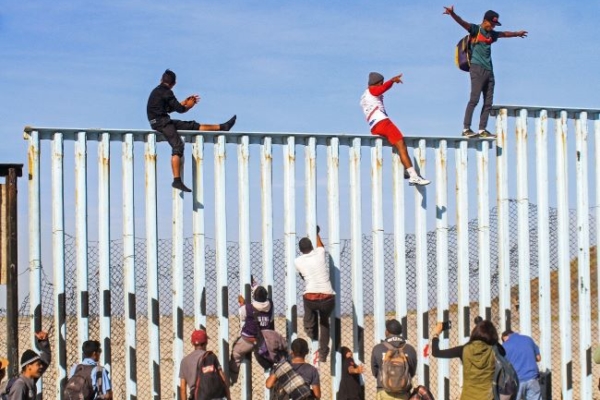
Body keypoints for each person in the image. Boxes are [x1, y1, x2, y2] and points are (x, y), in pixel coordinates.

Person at [443, 6, 528, 138]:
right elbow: (462, 22)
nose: (493, 27)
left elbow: (504, 34)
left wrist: (517, 34)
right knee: (474, 99)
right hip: (477, 69)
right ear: (485, 21)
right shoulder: (476, 30)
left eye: (495, 24)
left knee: (488, 102)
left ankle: (482, 129)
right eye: (492, 24)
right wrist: (452, 14)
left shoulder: (492, 35)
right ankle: (466, 129)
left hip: (489, 71)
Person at [147, 69, 237, 192]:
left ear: (161, 80)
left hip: (160, 120)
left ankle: (223, 127)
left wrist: (185, 102)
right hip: (162, 122)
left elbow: (169, 108)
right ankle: (177, 180)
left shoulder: (157, 91)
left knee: (191, 125)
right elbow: (181, 110)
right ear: (174, 83)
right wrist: (190, 105)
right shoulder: (167, 92)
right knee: (178, 146)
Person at [360, 72, 430, 186]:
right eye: (381, 83)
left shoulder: (364, 95)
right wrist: (392, 81)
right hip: (383, 123)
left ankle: (407, 171)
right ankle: (413, 176)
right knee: (402, 145)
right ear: (378, 83)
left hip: (374, 126)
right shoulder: (373, 90)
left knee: (397, 145)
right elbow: (379, 90)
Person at [431, 319, 503, 400]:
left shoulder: (464, 350)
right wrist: (487, 333)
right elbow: (502, 350)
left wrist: (436, 334)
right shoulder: (494, 351)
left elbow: (436, 352)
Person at [294, 226, 335, 363]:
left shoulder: (298, 261)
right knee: (325, 323)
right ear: (312, 246)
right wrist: (317, 233)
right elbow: (321, 245)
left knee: (308, 320)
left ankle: (311, 333)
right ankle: (323, 353)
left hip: (311, 296)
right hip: (327, 296)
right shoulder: (320, 253)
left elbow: (303, 276)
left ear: (300, 250)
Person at [229, 285, 275, 384]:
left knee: (235, 354)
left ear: (254, 297)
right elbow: (271, 319)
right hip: (264, 341)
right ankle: (272, 377)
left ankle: (232, 379)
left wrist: (242, 303)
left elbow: (242, 316)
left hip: (247, 340)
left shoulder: (248, 308)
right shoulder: (270, 305)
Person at [370, 319, 417, 400]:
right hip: (403, 392)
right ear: (400, 332)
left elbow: (375, 372)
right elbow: (412, 372)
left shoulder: (378, 348)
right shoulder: (410, 349)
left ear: (387, 332)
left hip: (383, 391)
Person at [179, 329, 230, 400]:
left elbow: (183, 389)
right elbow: (223, 379)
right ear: (206, 342)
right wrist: (229, 397)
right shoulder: (211, 357)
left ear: (192, 343)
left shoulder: (184, 361)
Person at [6, 331, 51, 400]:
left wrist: (44, 342)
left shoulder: (30, 381)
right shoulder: (20, 385)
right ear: (28, 366)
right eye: (38, 364)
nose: (41, 366)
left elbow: (45, 360)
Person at [501, 330, 542, 400]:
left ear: (506, 337)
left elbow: (502, 365)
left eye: (504, 340)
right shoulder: (528, 339)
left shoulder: (505, 346)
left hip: (516, 380)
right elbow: (538, 358)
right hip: (532, 378)